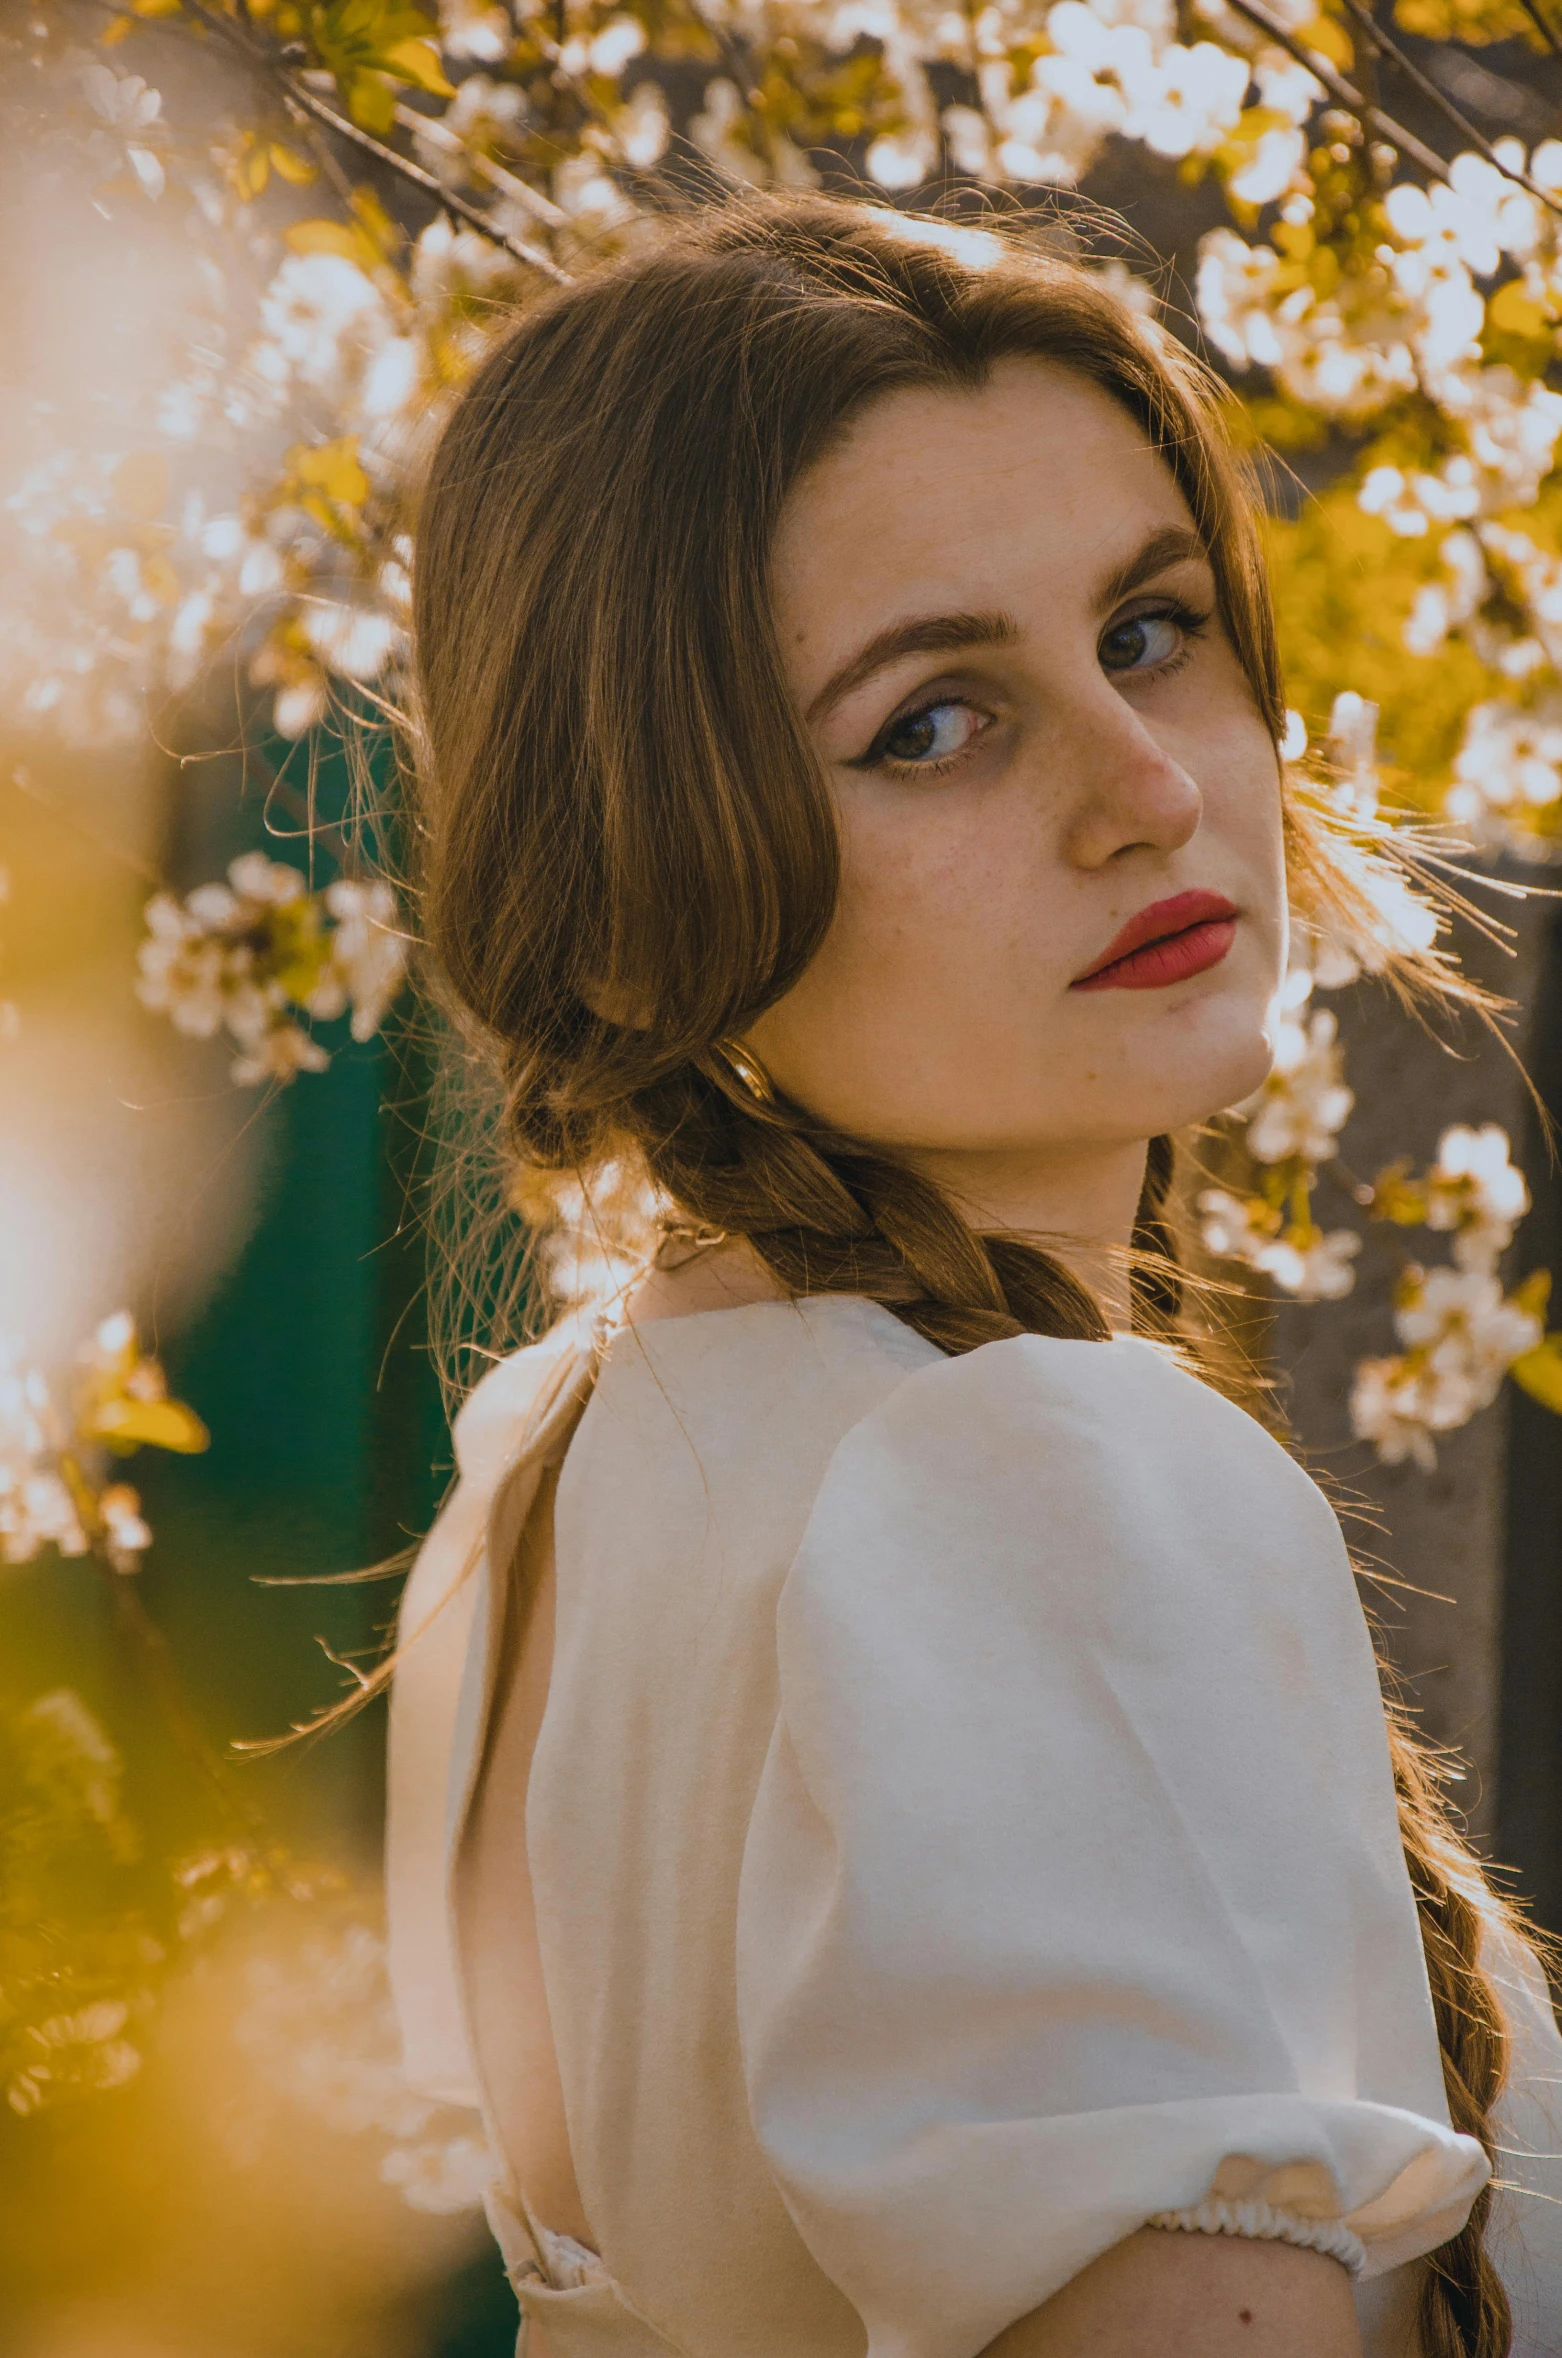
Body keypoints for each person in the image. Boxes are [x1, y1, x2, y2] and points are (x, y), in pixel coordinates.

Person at [384, 192, 1562, 2357]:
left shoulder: (545, 1471)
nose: (1141, 789)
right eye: (932, 721)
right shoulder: (1029, 1479)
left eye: (1147, 631)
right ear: (649, 908)